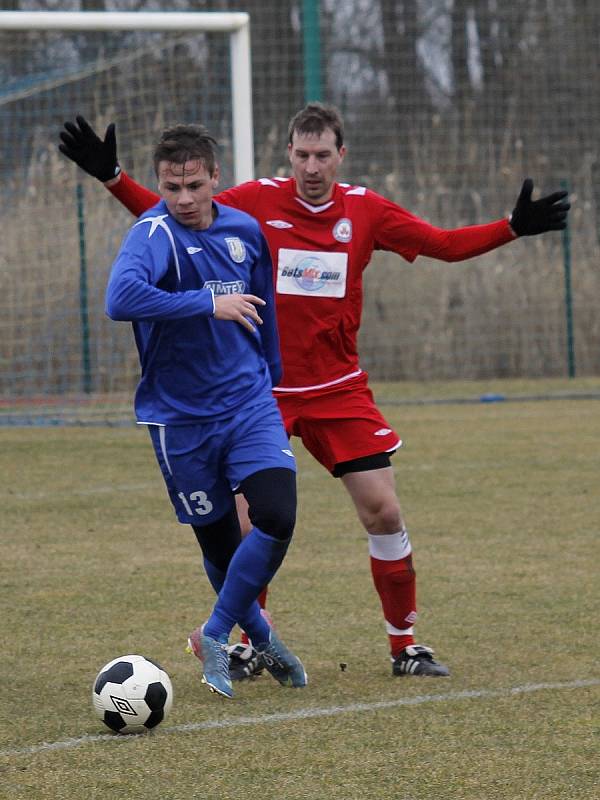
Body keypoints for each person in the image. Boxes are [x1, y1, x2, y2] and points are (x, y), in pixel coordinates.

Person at [60, 106, 569, 680]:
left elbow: (442, 243)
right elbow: (179, 219)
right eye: (301, 154)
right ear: (289, 155)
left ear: (340, 156)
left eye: (322, 154)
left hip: (337, 388)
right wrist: (114, 179)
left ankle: (406, 646)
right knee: (255, 526)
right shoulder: (255, 202)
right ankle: (251, 646)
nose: (311, 166)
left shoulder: (367, 209)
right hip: (259, 390)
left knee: (384, 509)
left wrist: (511, 227)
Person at [103, 122, 307, 699]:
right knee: (219, 547)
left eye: (194, 184)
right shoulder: (153, 234)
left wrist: (272, 375)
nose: (184, 199)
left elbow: (263, 300)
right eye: (172, 187)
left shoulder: (244, 229)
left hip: (247, 404)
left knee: (276, 515)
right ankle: (263, 638)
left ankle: (215, 632)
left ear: (216, 177)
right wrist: (206, 302)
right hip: (181, 419)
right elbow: (120, 299)